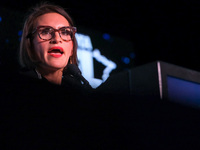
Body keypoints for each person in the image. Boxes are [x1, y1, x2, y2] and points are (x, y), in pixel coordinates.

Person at [19, 2, 92, 94]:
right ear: (30, 45)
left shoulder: (78, 90)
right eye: (45, 31)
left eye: (65, 32)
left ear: (72, 49)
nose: (57, 39)